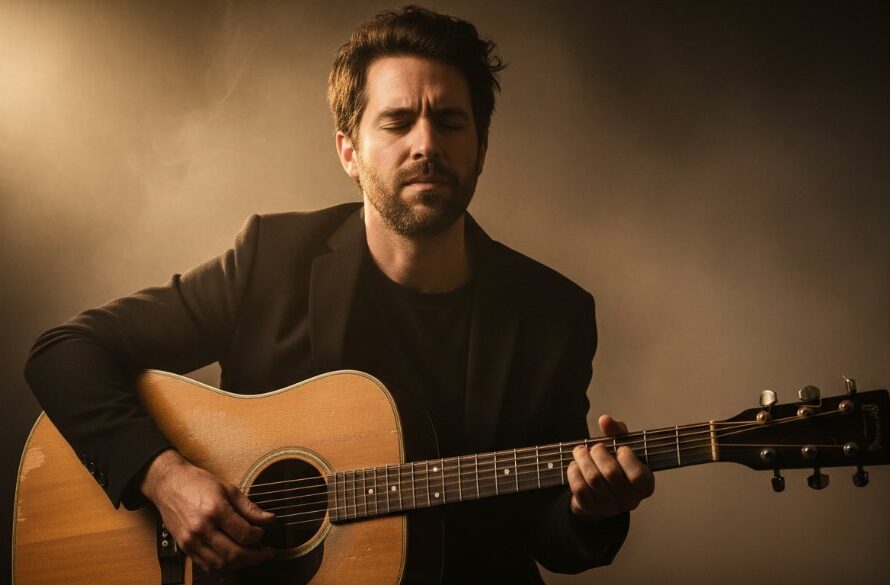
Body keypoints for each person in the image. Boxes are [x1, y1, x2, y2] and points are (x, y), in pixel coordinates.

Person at [24, 5, 654, 584]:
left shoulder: (553, 314)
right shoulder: (272, 259)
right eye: (398, 121)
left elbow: (547, 535)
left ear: (481, 148)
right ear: (349, 151)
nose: (426, 145)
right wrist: (164, 477)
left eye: (450, 122)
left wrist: (590, 509)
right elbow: (64, 352)